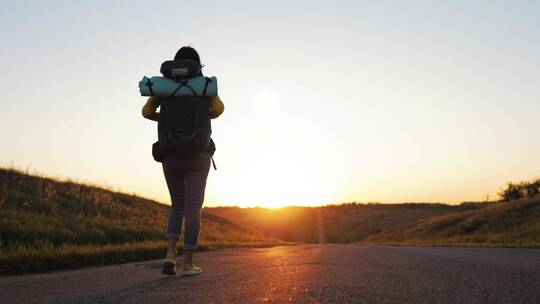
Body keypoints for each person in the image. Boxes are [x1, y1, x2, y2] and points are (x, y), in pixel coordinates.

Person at [141, 46, 224, 276]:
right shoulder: (204, 86)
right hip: (198, 154)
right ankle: (188, 263)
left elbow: (146, 112)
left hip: (170, 153)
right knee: (193, 208)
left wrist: (163, 116)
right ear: (197, 65)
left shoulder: (163, 89)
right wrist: (204, 112)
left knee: (177, 205)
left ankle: (169, 254)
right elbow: (218, 109)